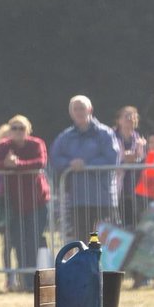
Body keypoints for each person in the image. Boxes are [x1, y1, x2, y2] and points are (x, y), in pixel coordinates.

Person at [0, 115, 50, 292]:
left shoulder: (36, 144)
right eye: (14, 128)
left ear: (28, 130)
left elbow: (40, 162)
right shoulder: (3, 146)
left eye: (21, 128)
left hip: (37, 202)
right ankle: (23, 281)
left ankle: (32, 282)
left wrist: (16, 164)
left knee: (33, 241)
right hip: (13, 204)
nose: (17, 131)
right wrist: (6, 164)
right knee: (17, 243)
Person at [50, 95, 121, 241]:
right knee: (82, 242)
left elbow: (112, 159)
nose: (79, 112)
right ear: (71, 113)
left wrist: (86, 165)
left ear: (90, 109)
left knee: (104, 244)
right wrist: (70, 164)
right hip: (78, 200)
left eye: (82, 108)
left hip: (102, 199)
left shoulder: (105, 133)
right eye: (75, 109)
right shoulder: (65, 136)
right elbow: (55, 157)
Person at [112, 106, 147, 225]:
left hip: (134, 187)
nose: (130, 118)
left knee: (133, 222)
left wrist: (135, 158)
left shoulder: (139, 139)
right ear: (119, 120)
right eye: (127, 116)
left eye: (133, 116)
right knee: (112, 222)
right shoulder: (111, 136)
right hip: (115, 187)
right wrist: (125, 159)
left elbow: (143, 160)